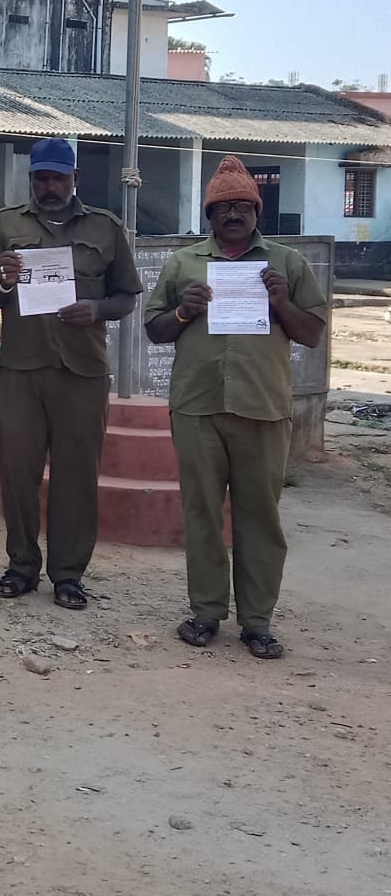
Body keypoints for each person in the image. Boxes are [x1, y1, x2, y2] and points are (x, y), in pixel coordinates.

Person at [145, 155, 327, 659]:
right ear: (209, 214)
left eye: (243, 206)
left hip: (262, 407)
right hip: (198, 407)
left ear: (256, 212)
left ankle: (257, 621)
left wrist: (281, 303)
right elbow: (155, 329)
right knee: (202, 513)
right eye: (223, 207)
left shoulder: (286, 264)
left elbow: (313, 334)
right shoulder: (184, 263)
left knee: (260, 518)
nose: (233, 214)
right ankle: (206, 611)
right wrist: (185, 310)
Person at [0, 139, 142, 610]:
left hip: (82, 371)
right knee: (18, 474)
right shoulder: (5, 225)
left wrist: (96, 309)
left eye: (58, 178)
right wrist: (3, 281)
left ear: (74, 179)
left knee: (76, 476)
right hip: (21, 369)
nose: (49, 186)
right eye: (41, 178)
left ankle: (68, 574)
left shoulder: (105, 227)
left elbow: (126, 295)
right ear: (31, 179)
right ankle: (21, 566)